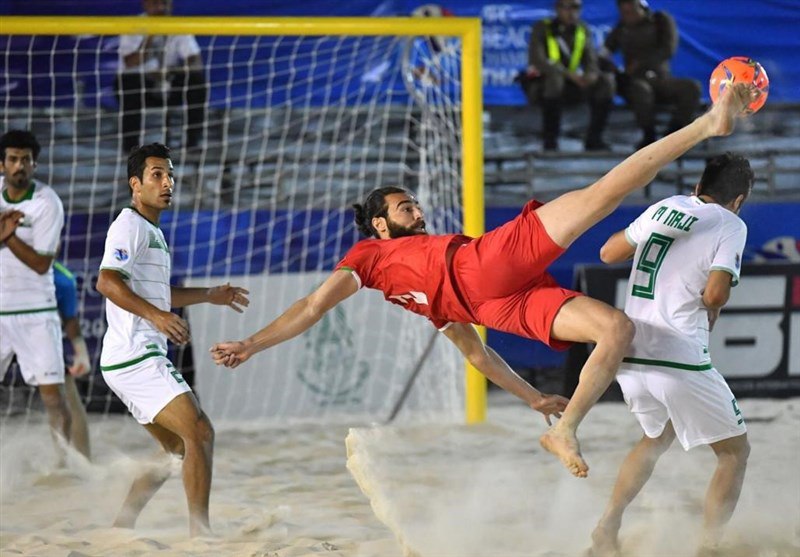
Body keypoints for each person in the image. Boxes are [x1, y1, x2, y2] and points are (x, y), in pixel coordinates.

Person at [211, 84, 758, 478]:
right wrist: (252, 343)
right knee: (599, 197)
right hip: (479, 268)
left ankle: (564, 427)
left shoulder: (420, 297)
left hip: (487, 301)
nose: (416, 209)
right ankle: (707, 125)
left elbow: (478, 358)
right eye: (404, 207)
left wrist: (529, 397)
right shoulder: (369, 254)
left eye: (415, 203)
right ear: (379, 224)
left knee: (616, 330)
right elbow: (311, 307)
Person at [590, 152, 753, 556]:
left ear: (698, 187)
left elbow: (608, 253)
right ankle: (710, 547)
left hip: (631, 354)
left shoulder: (666, 207)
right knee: (734, 452)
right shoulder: (731, 224)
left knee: (654, 438)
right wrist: (711, 304)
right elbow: (715, 293)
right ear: (739, 199)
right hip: (678, 356)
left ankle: (607, 524)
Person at [95, 143, 249, 536]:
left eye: (170, 175)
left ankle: (121, 526)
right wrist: (159, 317)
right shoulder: (129, 224)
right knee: (200, 432)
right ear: (136, 184)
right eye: (157, 175)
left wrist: (208, 295)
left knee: (177, 449)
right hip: (136, 354)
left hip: (126, 358)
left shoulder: (151, 230)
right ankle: (201, 534)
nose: (167, 183)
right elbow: (107, 282)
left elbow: (159, 293)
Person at [0, 129, 75, 462]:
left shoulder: (47, 203)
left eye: (26, 160)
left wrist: (8, 236)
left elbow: (42, 264)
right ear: (1, 164)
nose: (20, 166)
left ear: (34, 164)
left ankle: (63, 463)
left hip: (36, 311)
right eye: (13, 159)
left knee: (53, 398)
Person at [604, 0, 702, 149]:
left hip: (660, 78)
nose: (628, 12)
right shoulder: (621, 28)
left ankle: (674, 135)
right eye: (624, 10)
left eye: (631, 7)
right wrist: (616, 70)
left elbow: (668, 49)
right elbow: (604, 52)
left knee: (692, 87)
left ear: (641, 6)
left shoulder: (660, 20)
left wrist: (641, 62)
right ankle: (648, 137)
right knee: (641, 91)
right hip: (636, 79)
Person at [115, 0, 208, 153]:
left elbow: (195, 60)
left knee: (196, 80)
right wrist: (151, 34)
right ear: (145, 4)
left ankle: (193, 143)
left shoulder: (176, 25)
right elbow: (130, 62)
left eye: (164, 3)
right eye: (155, 3)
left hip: (168, 80)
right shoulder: (133, 25)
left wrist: (172, 71)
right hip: (140, 84)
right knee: (129, 83)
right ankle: (131, 147)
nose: (160, 8)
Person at [525, 0, 615, 151]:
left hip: (573, 85)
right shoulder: (543, 28)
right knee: (555, 79)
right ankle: (550, 140)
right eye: (566, 7)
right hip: (545, 85)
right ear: (557, 8)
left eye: (575, 7)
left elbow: (591, 59)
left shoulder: (582, 29)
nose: (571, 12)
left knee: (606, 82)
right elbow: (538, 60)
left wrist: (591, 74)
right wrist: (569, 75)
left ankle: (594, 138)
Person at [54, 260, 93, 460]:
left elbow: (70, 318)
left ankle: (82, 461)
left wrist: (81, 353)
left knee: (65, 398)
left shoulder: (62, 279)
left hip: (40, 339)